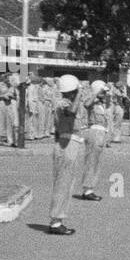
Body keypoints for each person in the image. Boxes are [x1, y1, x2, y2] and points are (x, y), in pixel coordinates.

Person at [48, 74, 84, 234]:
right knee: (62, 183)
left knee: (67, 184)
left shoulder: (67, 101)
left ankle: (58, 219)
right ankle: (55, 222)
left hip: (71, 143)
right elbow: (71, 112)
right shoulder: (63, 103)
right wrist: (79, 94)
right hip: (66, 144)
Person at [76, 80, 110, 201]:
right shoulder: (92, 101)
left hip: (101, 133)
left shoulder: (102, 103)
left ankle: (90, 188)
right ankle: (87, 190)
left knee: (96, 162)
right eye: (103, 91)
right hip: (94, 132)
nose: (104, 94)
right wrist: (96, 93)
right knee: (91, 161)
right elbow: (86, 104)